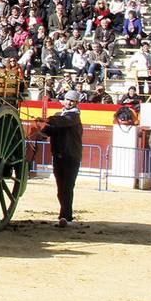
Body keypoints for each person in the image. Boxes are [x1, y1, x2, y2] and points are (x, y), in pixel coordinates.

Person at [45, 92, 84, 227]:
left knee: (67, 187)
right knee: (61, 188)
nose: (68, 103)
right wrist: (39, 133)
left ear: (76, 103)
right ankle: (65, 215)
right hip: (58, 156)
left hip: (71, 157)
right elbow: (48, 130)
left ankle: (66, 216)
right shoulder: (58, 116)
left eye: (72, 101)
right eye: (67, 100)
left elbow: (62, 121)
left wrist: (46, 119)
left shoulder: (74, 116)